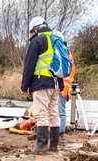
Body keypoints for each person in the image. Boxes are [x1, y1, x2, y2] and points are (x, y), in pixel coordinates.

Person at [21, 16, 64, 152]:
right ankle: (53, 146)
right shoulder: (56, 39)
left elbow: (29, 65)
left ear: (35, 29)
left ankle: (41, 146)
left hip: (41, 83)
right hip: (56, 83)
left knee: (42, 113)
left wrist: (24, 86)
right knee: (53, 113)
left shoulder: (38, 41)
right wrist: (61, 84)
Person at [53, 30, 76, 143]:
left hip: (62, 88)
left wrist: (65, 89)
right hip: (55, 87)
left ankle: (60, 134)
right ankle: (54, 132)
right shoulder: (64, 52)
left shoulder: (66, 54)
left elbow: (69, 74)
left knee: (61, 112)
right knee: (55, 111)